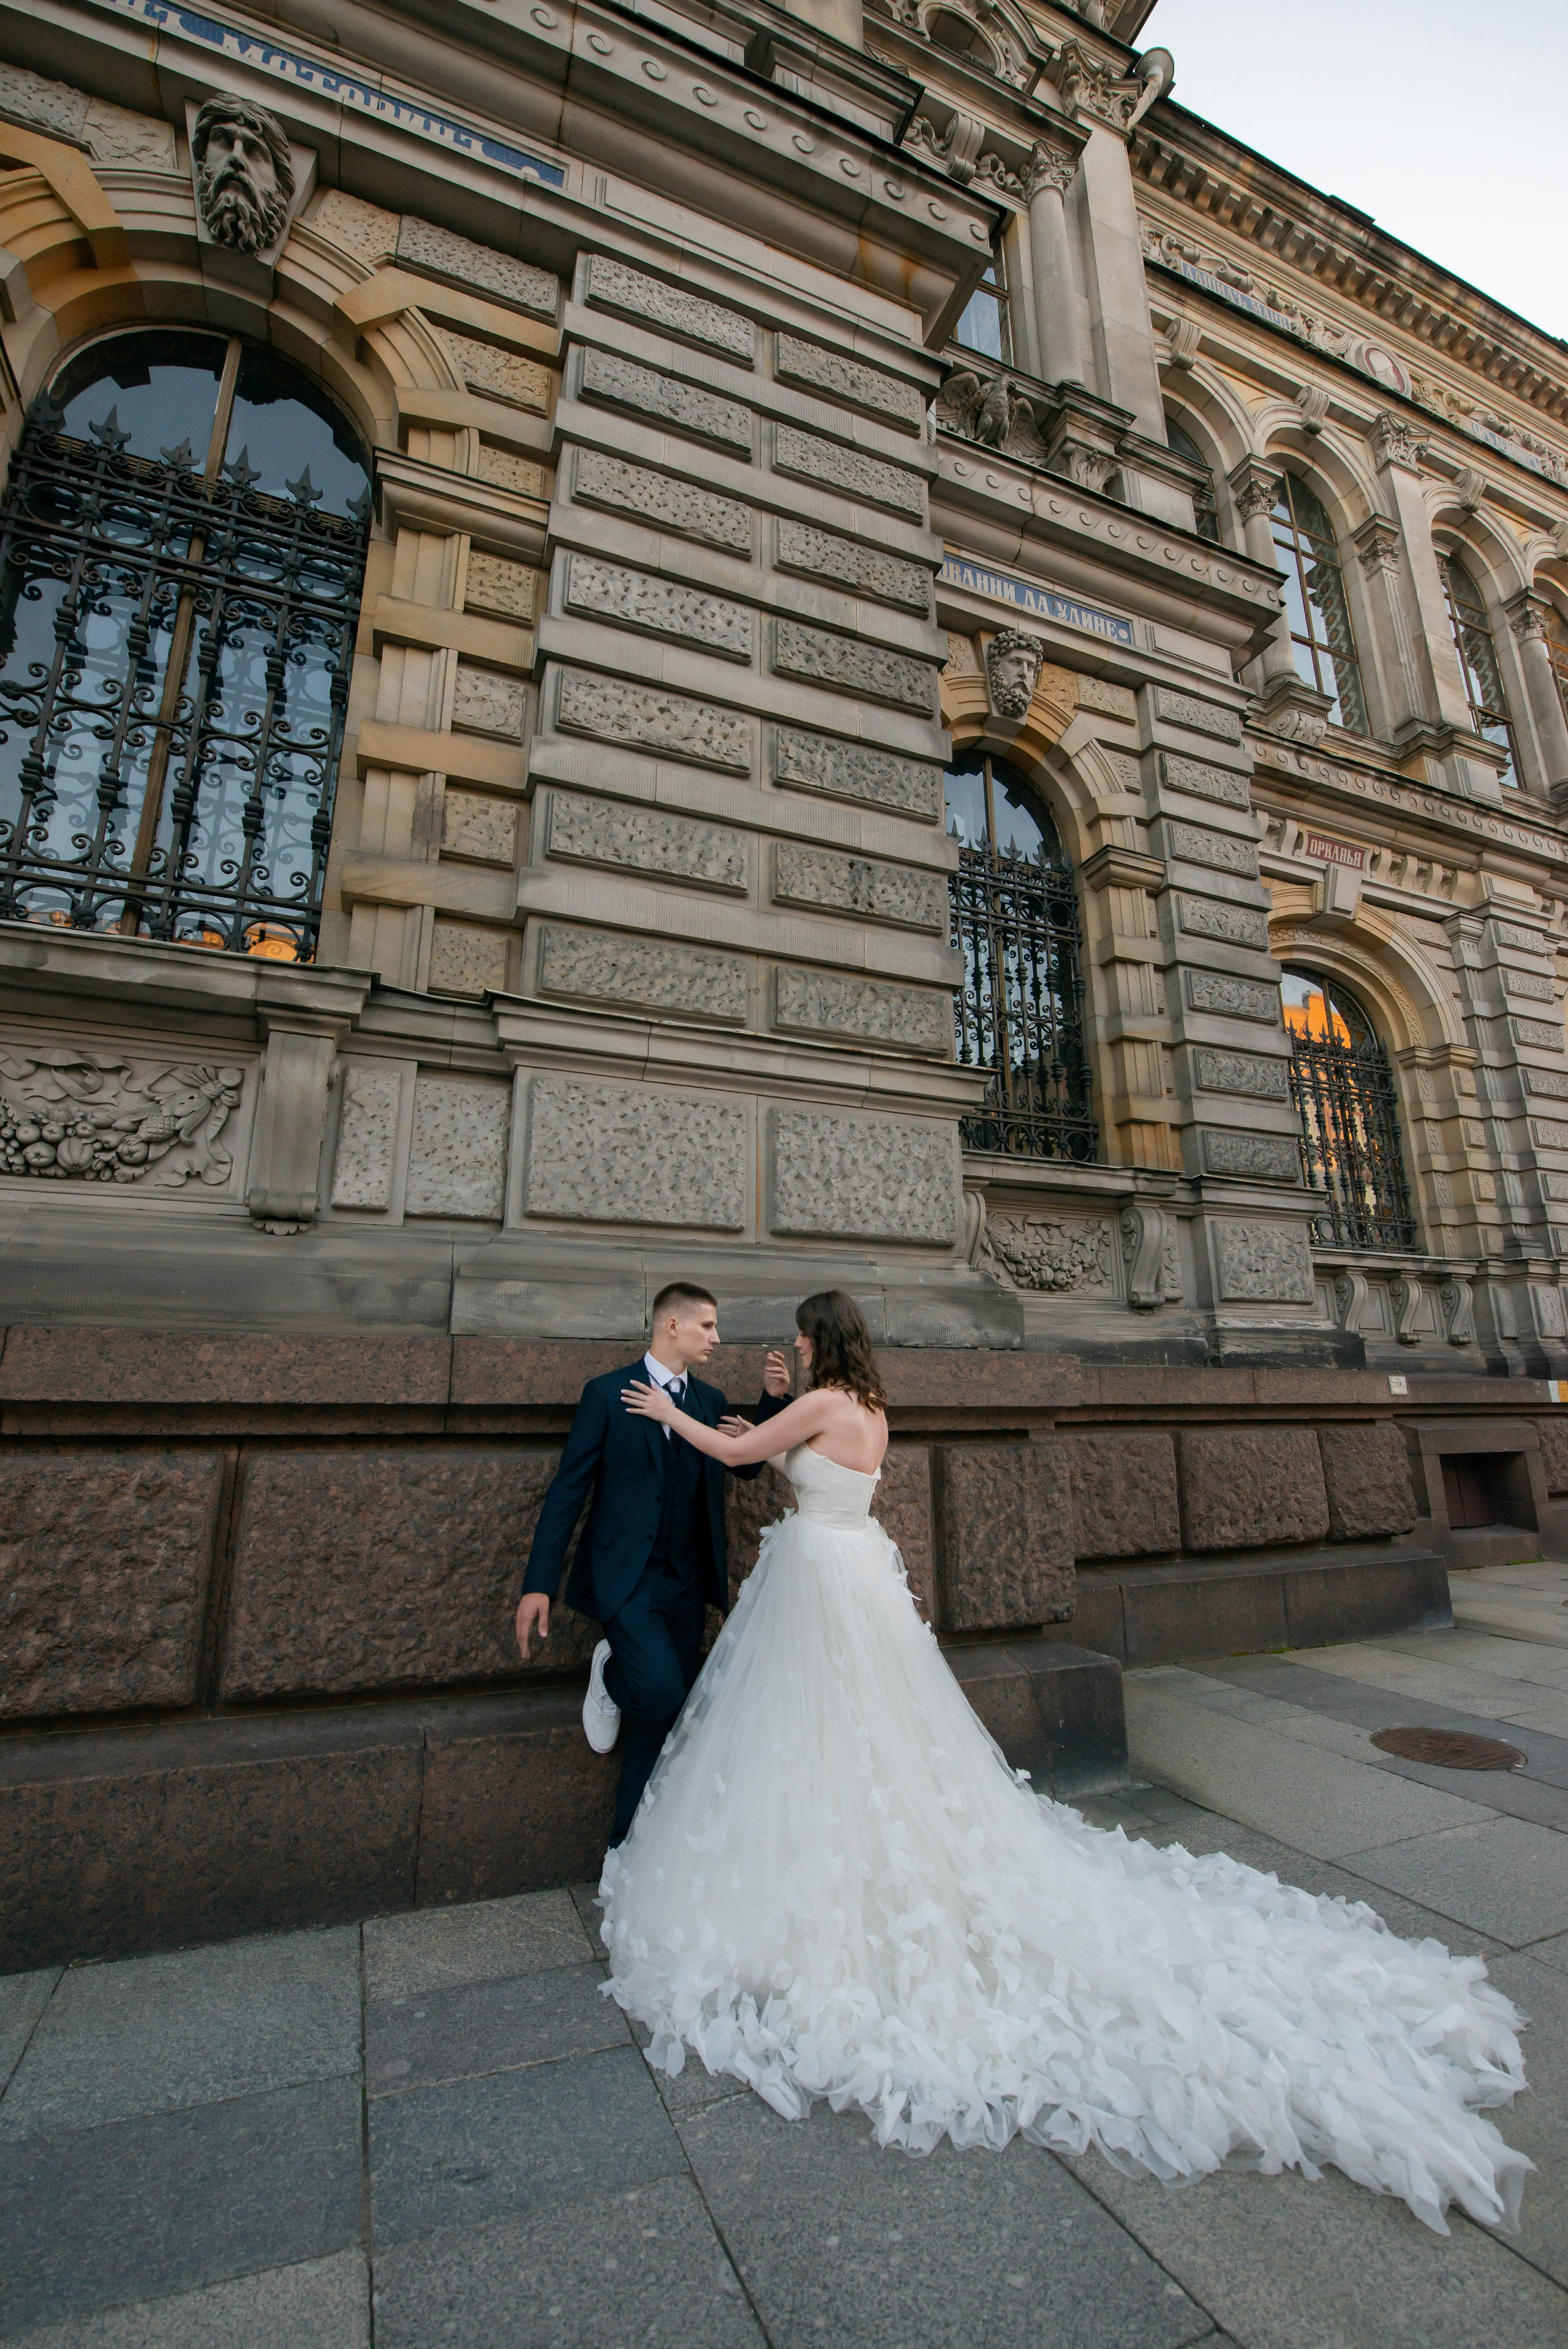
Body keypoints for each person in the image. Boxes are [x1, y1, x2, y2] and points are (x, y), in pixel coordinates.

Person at [602, 1287, 1530, 2239]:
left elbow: (739, 1453)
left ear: (820, 1339)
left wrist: (673, 1411)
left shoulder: (821, 1404)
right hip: (853, 1578)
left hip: (819, 1582)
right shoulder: (867, 1406)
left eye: (799, 1335)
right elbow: (793, 1441)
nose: (789, 1344)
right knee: (870, 1732)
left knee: (818, 1728)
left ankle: (814, 1878)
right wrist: (769, 1400)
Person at [515, 1281, 790, 1849]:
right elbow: (568, 1492)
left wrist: (771, 1403)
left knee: (662, 1718)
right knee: (660, 1689)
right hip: (627, 1580)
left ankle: (626, 1849)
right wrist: (539, 1582)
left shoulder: (708, 1400)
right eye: (707, 1325)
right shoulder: (606, 1393)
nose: (717, 1337)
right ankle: (612, 1673)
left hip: (689, 1581)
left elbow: (746, 1468)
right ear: (673, 1325)